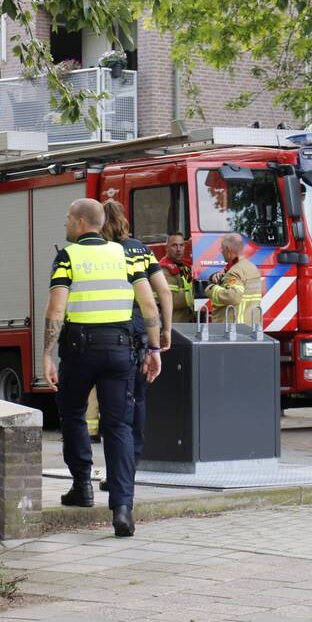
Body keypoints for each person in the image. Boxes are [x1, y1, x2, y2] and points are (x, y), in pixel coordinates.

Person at [43, 198, 162, 537]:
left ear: (82, 222)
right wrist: (154, 347)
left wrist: (47, 354)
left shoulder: (68, 256)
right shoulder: (124, 255)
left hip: (79, 350)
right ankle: (122, 508)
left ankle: (82, 485)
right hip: (122, 350)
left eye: (68, 217)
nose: (65, 223)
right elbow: (148, 302)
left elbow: (55, 310)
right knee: (119, 426)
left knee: (72, 414)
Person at [87, 202, 173, 468]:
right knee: (138, 398)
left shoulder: (102, 252)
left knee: (112, 405)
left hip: (112, 333)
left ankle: (111, 468)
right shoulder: (141, 249)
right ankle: (132, 463)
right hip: (143, 331)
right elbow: (165, 292)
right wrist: (166, 329)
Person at [204, 233, 262, 325]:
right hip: (252, 327)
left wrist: (211, 289)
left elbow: (232, 297)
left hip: (235, 329)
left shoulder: (235, 271)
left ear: (228, 250)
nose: (221, 252)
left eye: (222, 249)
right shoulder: (252, 267)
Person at [160, 232, 195, 323]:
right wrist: (196, 294)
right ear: (166, 248)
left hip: (186, 321)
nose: (179, 249)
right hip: (173, 323)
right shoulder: (164, 269)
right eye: (174, 246)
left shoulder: (185, 267)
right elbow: (171, 299)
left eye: (181, 245)